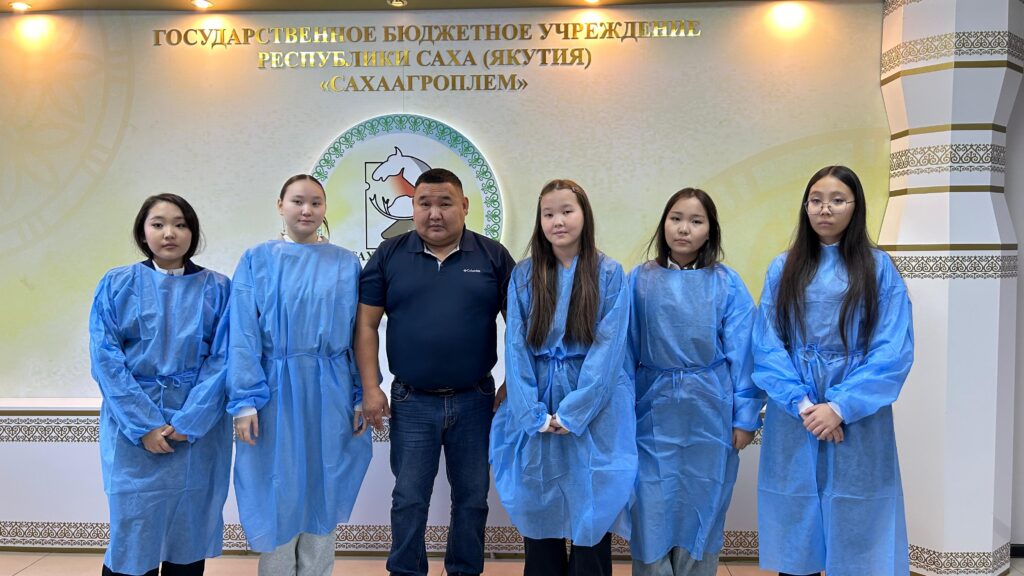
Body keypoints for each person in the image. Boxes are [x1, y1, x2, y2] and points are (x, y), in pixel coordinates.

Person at [752, 165, 914, 576]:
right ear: (805, 207)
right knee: (797, 525)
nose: (825, 209)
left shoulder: (878, 269)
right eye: (816, 200)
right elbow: (767, 345)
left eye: (837, 200)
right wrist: (806, 406)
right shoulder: (783, 268)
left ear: (855, 206)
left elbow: (892, 350)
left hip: (858, 417)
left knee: (859, 528)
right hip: (797, 417)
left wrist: (840, 408)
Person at [355, 167, 516, 576]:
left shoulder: (493, 256)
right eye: (424, 203)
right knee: (409, 497)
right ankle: (406, 571)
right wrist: (371, 388)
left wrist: (514, 382)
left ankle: (464, 570)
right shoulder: (389, 254)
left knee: (473, 498)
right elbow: (366, 325)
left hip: (476, 399)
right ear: (413, 207)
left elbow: (520, 325)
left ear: (464, 205)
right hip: (412, 400)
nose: (434, 213)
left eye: (445, 203)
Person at [489, 179, 636, 576]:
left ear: (585, 215)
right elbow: (516, 348)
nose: (558, 221)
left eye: (567, 211)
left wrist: (574, 412)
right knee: (539, 508)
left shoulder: (609, 273)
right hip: (536, 401)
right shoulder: (525, 275)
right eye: (548, 213)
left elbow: (608, 351)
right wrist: (533, 414)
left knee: (592, 511)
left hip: (595, 408)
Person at [227, 174, 372, 576]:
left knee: (324, 485)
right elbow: (242, 333)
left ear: (325, 209)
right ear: (280, 205)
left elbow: (359, 334)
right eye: (297, 201)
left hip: (331, 387)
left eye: (315, 202)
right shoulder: (257, 259)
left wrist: (359, 394)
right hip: (273, 390)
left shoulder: (346, 262)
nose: (306, 210)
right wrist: (244, 401)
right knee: (278, 487)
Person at [90, 194, 231, 576]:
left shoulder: (218, 289)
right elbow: (106, 359)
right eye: (158, 224)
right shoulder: (117, 284)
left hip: (197, 434)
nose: (170, 233)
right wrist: (145, 426)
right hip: (132, 431)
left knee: (188, 534)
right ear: (143, 232)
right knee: (132, 536)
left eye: (180, 224)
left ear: (193, 232)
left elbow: (225, 359)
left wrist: (189, 422)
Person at [626, 187, 762, 576]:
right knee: (650, 508)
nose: (684, 229)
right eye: (676, 219)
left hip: (710, 412)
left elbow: (745, 354)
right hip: (651, 411)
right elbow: (622, 353)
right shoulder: (639, 281)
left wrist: (745, 418)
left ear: (710, 230)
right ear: (664, 224)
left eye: (696, 221)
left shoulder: (727, 283)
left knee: (703, 505)